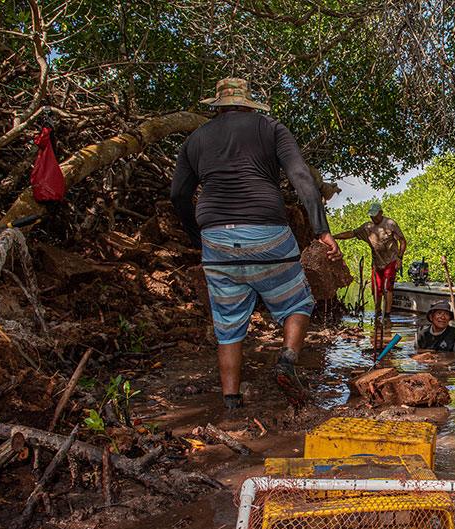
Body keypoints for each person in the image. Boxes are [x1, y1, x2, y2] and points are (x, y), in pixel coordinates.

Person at [170, 77, 342, 410]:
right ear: (249, 103)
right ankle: (287, 359)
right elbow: (302, 178)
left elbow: (178, 195)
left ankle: (231, 404)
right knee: (298, 303)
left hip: (216, 241)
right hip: (268, 233)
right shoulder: (271, 128)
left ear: (218, 105)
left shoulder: (195, 139)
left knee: (228, 326)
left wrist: (197, 236)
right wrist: (322, 230)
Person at [334, 202, 407, 318]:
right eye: (371, 215)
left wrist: (399, 258)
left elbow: (402, 241)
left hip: (391, 260)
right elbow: (352, 233)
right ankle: (377, 312)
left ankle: (387, 315)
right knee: (376, 289)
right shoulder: (367, 227)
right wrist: (333, 237)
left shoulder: (390, 224)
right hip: (377, 263)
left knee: (387, 287)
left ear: (381, 213)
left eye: (375, 215)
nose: (373, 217)